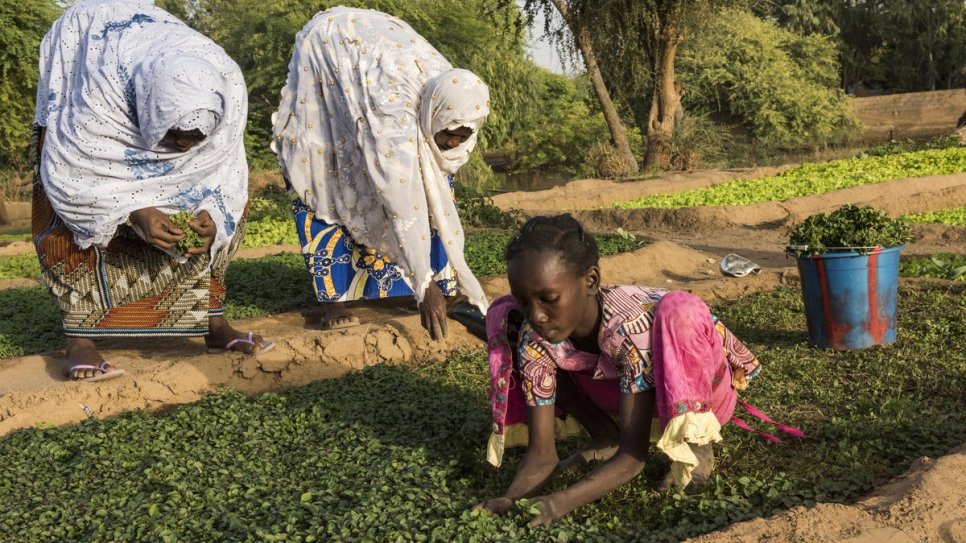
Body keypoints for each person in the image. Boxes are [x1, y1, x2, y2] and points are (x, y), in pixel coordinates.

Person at [476, 214, 801, 525]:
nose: (537, 315)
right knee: (507, 318)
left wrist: (558, 503)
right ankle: (604, 435)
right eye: (524, 300)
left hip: (701, 383)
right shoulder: (536, 333)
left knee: (679, 312)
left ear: (590, 281)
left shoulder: (632, 327)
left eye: (548, 298)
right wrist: (510, 499)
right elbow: (542, 455)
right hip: (622, 385)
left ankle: (696, 444)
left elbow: (633, 457)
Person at [33, 0, 273, 382]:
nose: (182, 145)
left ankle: (212, 322)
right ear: (151, 109)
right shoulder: (98, 92)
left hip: (158, 80)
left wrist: (214, 211)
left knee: (232, 201)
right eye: (175, 133)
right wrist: (134, 210)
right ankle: (79, 339)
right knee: (61, 209)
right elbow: (74, 171)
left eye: (196, 137)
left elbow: (226, 168)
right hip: (93, 123)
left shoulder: (226, 86)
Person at [272, 7, 491, 337]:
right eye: (448, 133)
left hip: (375, 67)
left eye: (462, 136)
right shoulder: (394, 116)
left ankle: (436, 284)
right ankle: (335, 303)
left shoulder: (455, 94)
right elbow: (400, 199)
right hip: (329, 61)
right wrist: (423, 283)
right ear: (435, 113)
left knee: (433, 191)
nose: (451, 143)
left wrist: (427, 280)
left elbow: (426, 192)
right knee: (331, 185)